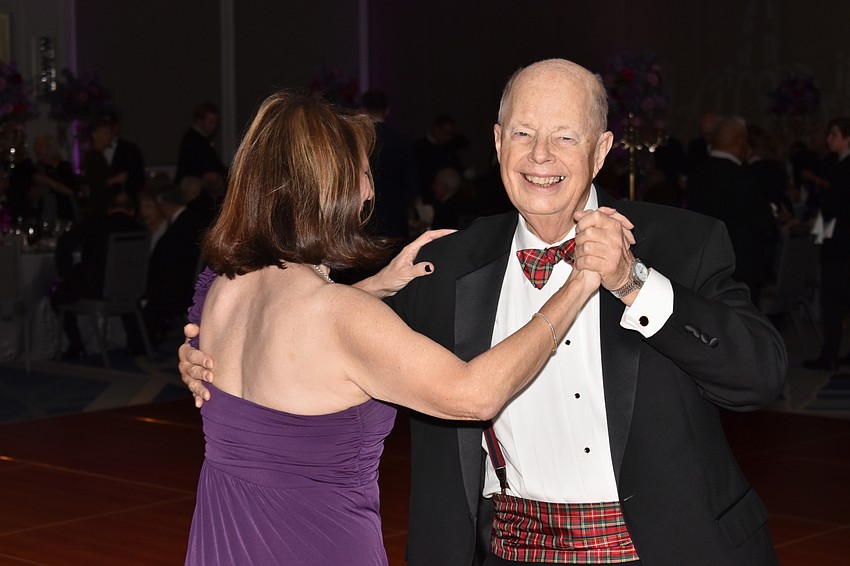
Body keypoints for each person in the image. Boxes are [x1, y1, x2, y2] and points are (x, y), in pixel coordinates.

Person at [181, 60, 786, 565]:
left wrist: (631, 282)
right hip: (508, 550)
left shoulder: (682, 243)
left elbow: (760, 376)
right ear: (497, 142)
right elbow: (318, 335)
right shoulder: (446, 266)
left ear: (602, 150)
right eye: (523, 133)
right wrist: (201, 357)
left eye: (565, 136)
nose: (540, 155)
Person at [177, 90, 626, 565]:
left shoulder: (221, 288)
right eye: (364, 174)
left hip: (223, 541)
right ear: (325, 186)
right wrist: (578, 285)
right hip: (317, 544)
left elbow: (290, 333)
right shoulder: (341, 317)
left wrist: (376, 285)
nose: (370, 191)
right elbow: (474, 395)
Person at [687, 115, 776, 307]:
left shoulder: (697, 173)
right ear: (739, 143)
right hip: (741, 269)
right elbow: (765, 223)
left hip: (703, 266)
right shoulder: (743, 177)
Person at [52, 190, 148, 359]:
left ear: (109, 210)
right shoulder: (141, 230)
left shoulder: (96, 223)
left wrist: (64, 274)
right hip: (133, 288)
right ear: (132, 211)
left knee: (57, 293)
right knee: (122, 283)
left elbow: (64, 243)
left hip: (96, 288)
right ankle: (137, 342)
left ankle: (76, 345)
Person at [803, 117, 850, 370]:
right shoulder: (839, 166)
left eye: (834, 134)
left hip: (840, 246)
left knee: (832, 301)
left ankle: (829, 355)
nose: (829, 139)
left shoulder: (844, 167)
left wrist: (820, 227)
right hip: (843, 244)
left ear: (847, 138)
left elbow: (835, 208)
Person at [361, 89, 419, 241]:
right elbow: (412, 185)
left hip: (363, 221)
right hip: (395, 221)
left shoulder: (357, 142)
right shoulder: (401, 141)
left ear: (363, 110)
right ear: (387, 111)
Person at [174, 102, 227, 186]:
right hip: (192, 185)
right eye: (210, 122)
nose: (214, 127)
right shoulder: (192, 140)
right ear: (199, 121)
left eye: (215, 123)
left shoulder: (203, 140)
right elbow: (196, 168)